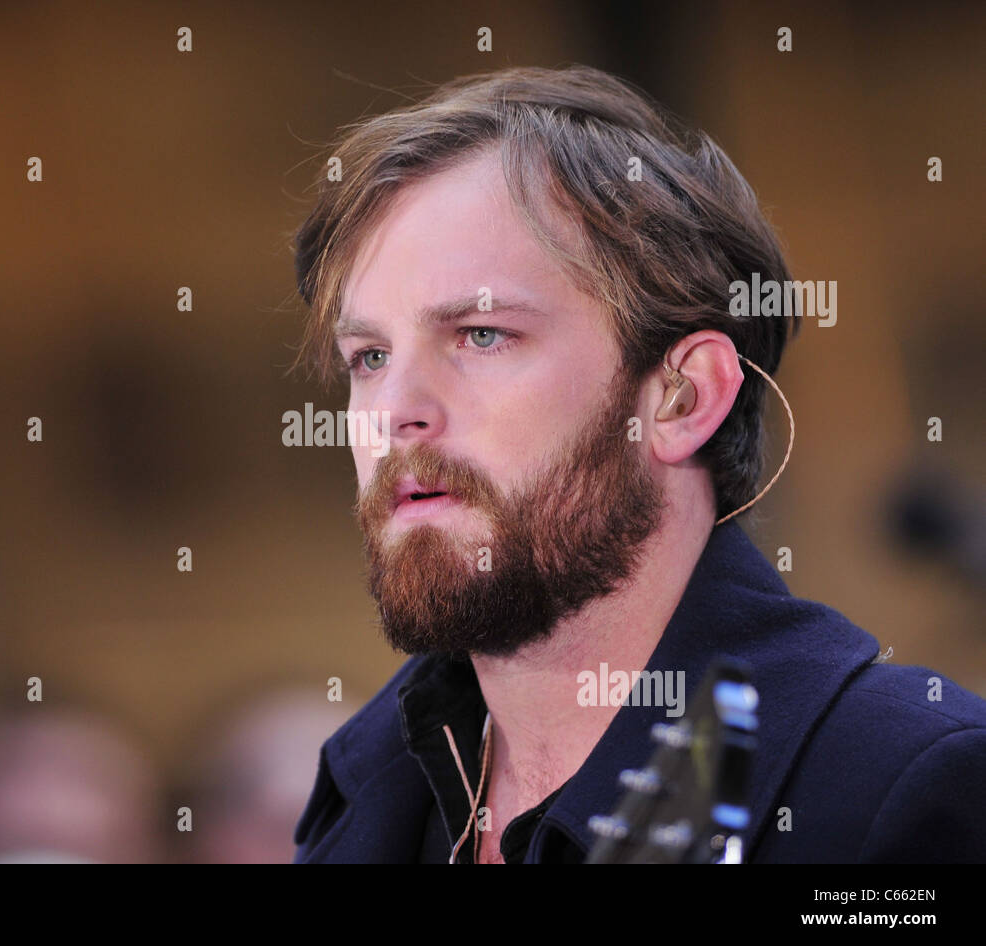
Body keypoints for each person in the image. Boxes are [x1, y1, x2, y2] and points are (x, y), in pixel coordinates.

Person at [287, 65, 986, 863]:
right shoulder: (366, 787)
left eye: (482, 335)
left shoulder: (903, 790)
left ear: (684, 398)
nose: (396, 409)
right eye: (368, 355)